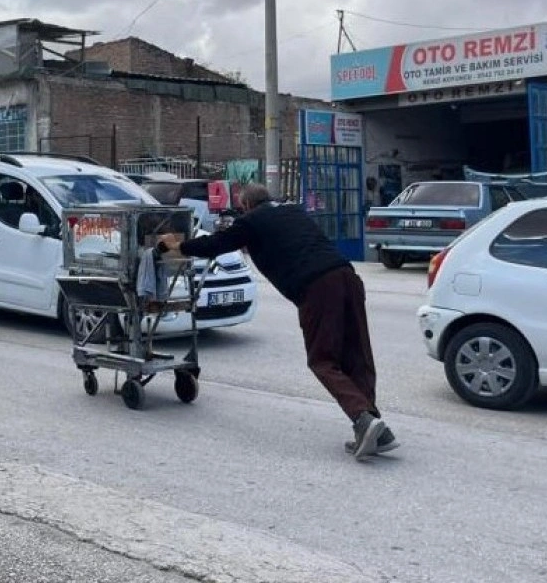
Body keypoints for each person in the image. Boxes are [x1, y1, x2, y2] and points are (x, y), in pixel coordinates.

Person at [157, 183, 398, 461]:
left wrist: (179, 246)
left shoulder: (251, 221)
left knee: (322, 360)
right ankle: (375, 427)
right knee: (358, 354)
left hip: (317, 288)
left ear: (246, 205)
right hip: (347, 277)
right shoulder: (292, 211)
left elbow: (216, 244)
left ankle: (363, 419)